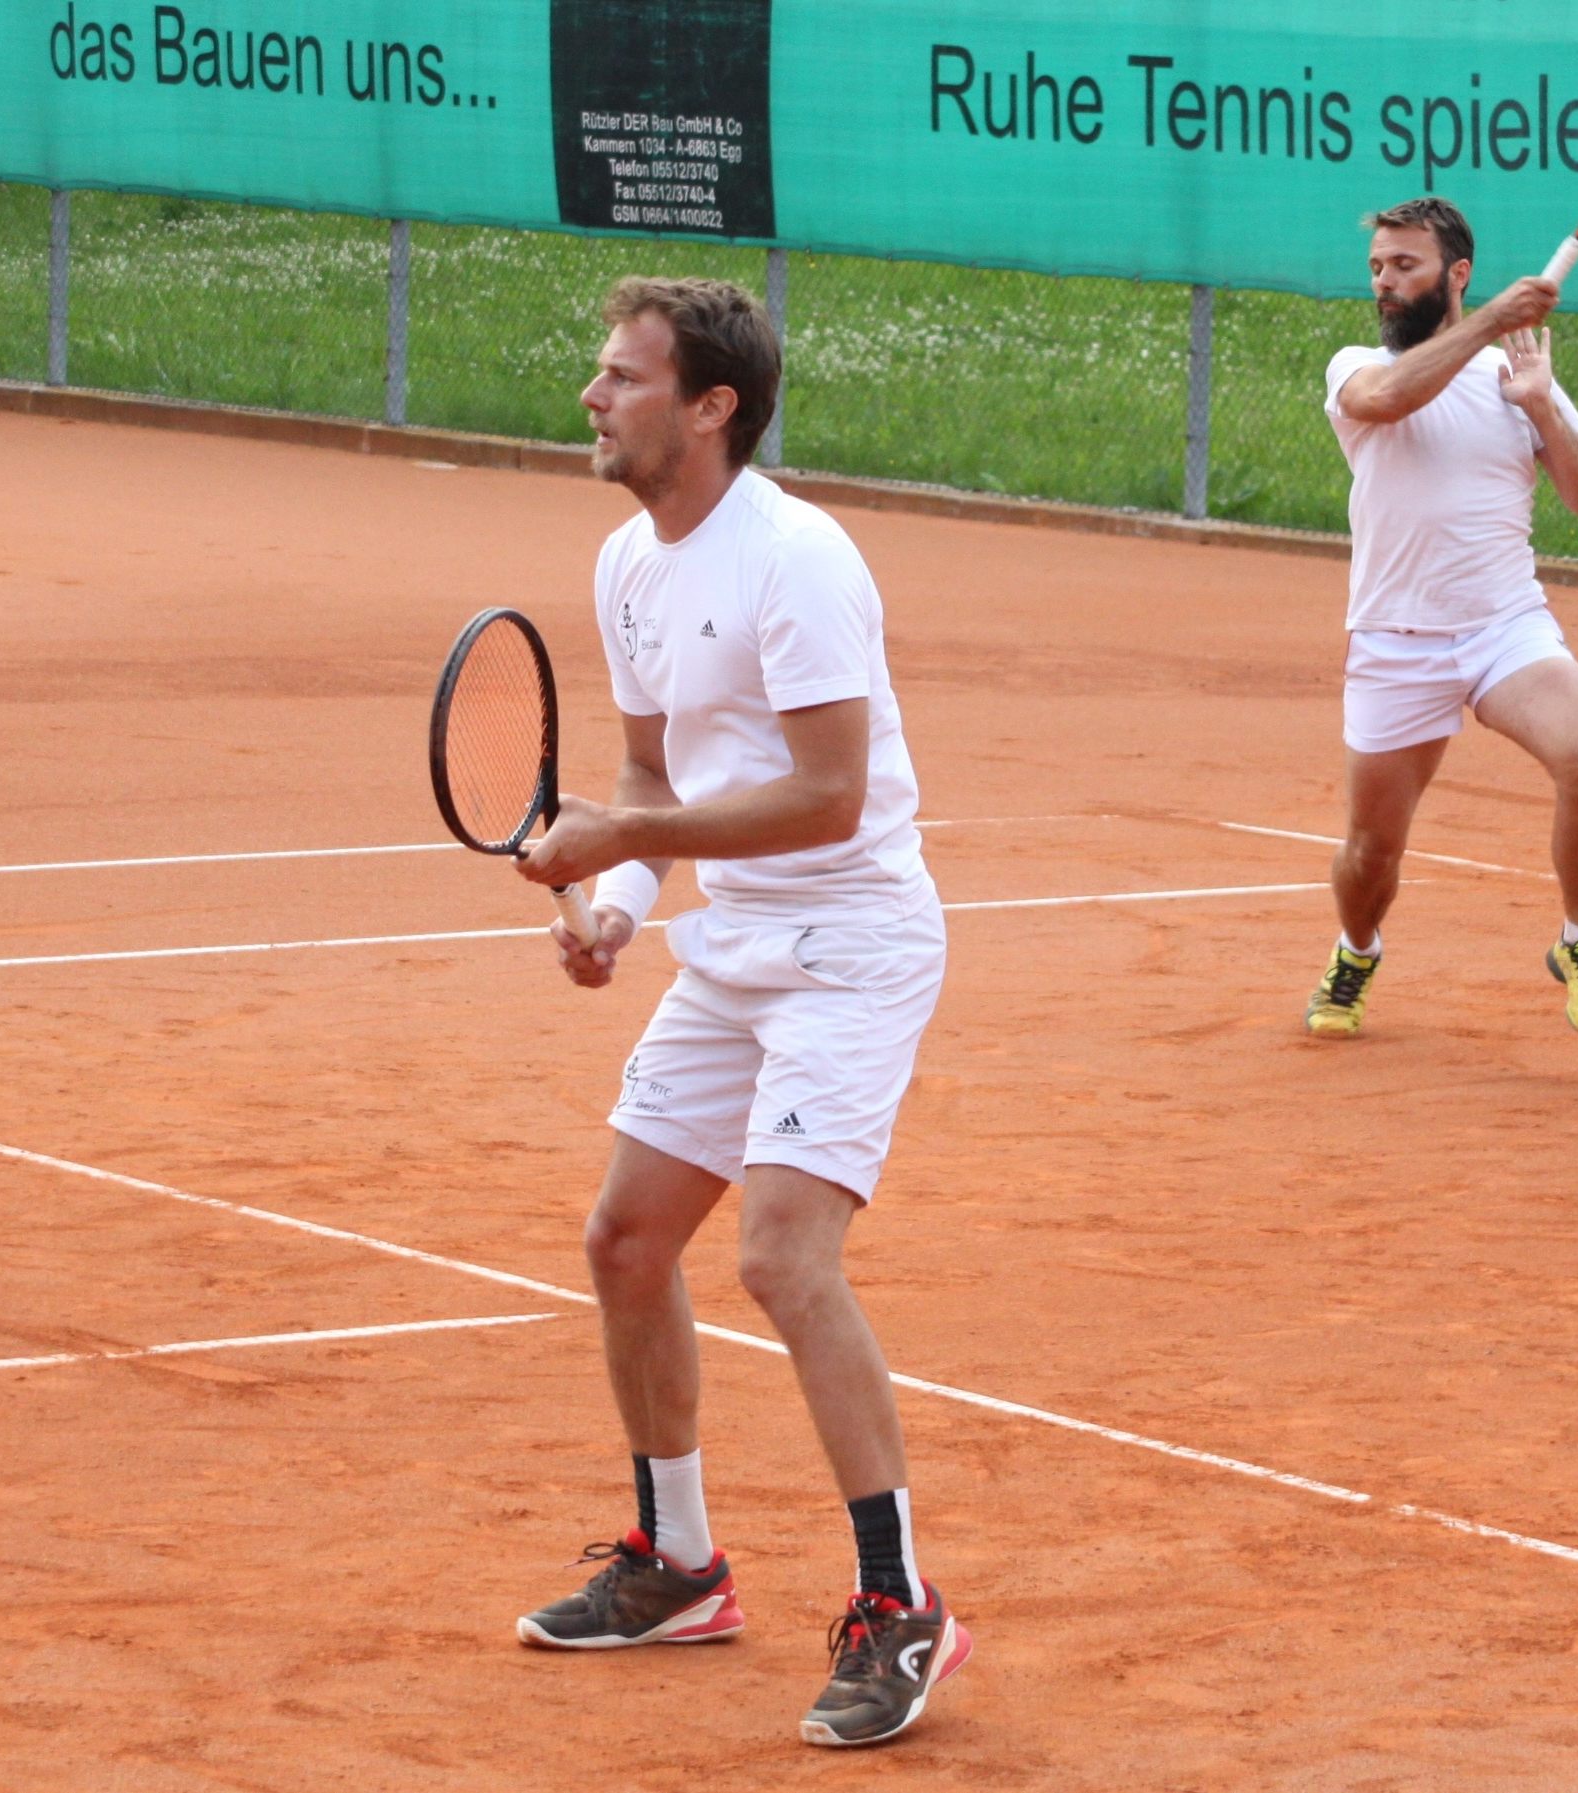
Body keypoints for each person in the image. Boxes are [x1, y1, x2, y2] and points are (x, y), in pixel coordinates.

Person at [510, 275, 968, 1748]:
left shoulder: (800, 561)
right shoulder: (626, 563)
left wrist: (616, 848)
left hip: (852, 942)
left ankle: (902, 1606)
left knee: (781, 1253)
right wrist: (619, 906)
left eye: (622, 376)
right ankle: (679, 1564)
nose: (592, 395)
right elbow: (654, 790)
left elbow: (830, 794)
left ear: (710, 406)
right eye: (601, 372)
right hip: (735, 941)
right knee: (626, 1239)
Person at [1305, 196, 1578, 1042]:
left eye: (1403, 265)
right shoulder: (1353, 367)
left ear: (1453, 273)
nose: (1384, 281)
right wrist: (1489, 323)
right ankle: (1357, 948)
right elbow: (1389, 401)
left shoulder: (1514, 380)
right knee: (1371, 856)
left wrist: (1545, 409)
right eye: (1377, 265)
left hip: (1504, 628)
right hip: (1395, 641)